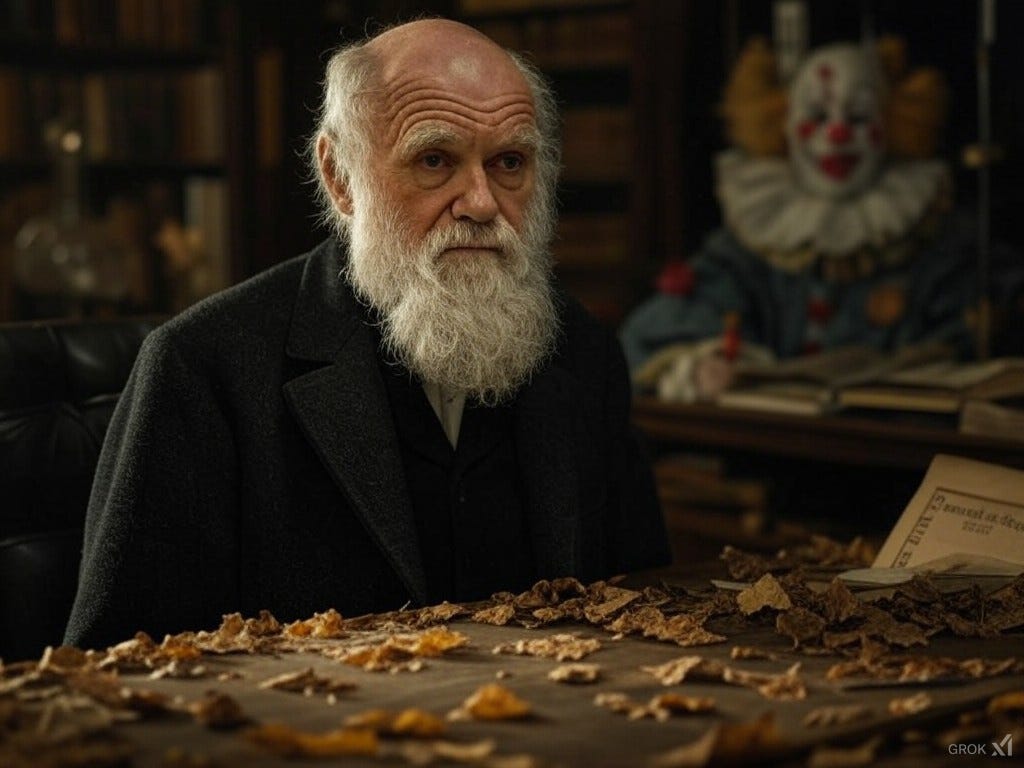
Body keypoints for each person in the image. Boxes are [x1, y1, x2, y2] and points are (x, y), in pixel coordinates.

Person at [64, 19, 670, 650]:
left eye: (509, 163)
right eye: (435, 160)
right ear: (340, 177)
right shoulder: (202, 368)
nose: (482, 202)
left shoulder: (584, 353)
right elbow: (121, 666)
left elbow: (647, 612)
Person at [621, 38, 1024, 401]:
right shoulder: (751, 241)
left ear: (891, 124)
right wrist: (701, 359)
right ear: (783, 125)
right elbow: (665, 322)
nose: (836, 135)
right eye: (816, 115)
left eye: (859, 117)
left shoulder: (938, 235)